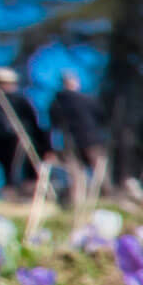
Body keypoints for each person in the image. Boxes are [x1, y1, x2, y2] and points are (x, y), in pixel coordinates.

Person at [48, 71, 105, 208]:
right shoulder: (86, 100)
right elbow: (101, 117)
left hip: (69, 141)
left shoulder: (56, 102)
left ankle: (77, 201)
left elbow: (54, 123)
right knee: (98, 168)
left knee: (76, 172)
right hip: (90, 139)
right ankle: (102, 197)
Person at [0, 67, 46, 195]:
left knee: (20, 166)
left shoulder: (20, 100)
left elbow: (33, 122)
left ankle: (21, 189)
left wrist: (43, 144)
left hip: (19, 140)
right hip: (0, 141)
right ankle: (11, 189)